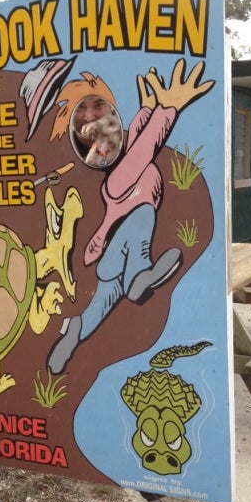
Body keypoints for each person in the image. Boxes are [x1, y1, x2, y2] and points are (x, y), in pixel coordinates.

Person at [47, 59, 215, 374]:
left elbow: (137, 139)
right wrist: (170, 108)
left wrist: (148, 107)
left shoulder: (122, 173)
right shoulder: (120, 180)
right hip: (122, 249)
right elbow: (146, 145)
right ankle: (139, 274)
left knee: (99, 307)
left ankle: (75, 330)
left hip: (112, 261)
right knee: (142, 216)